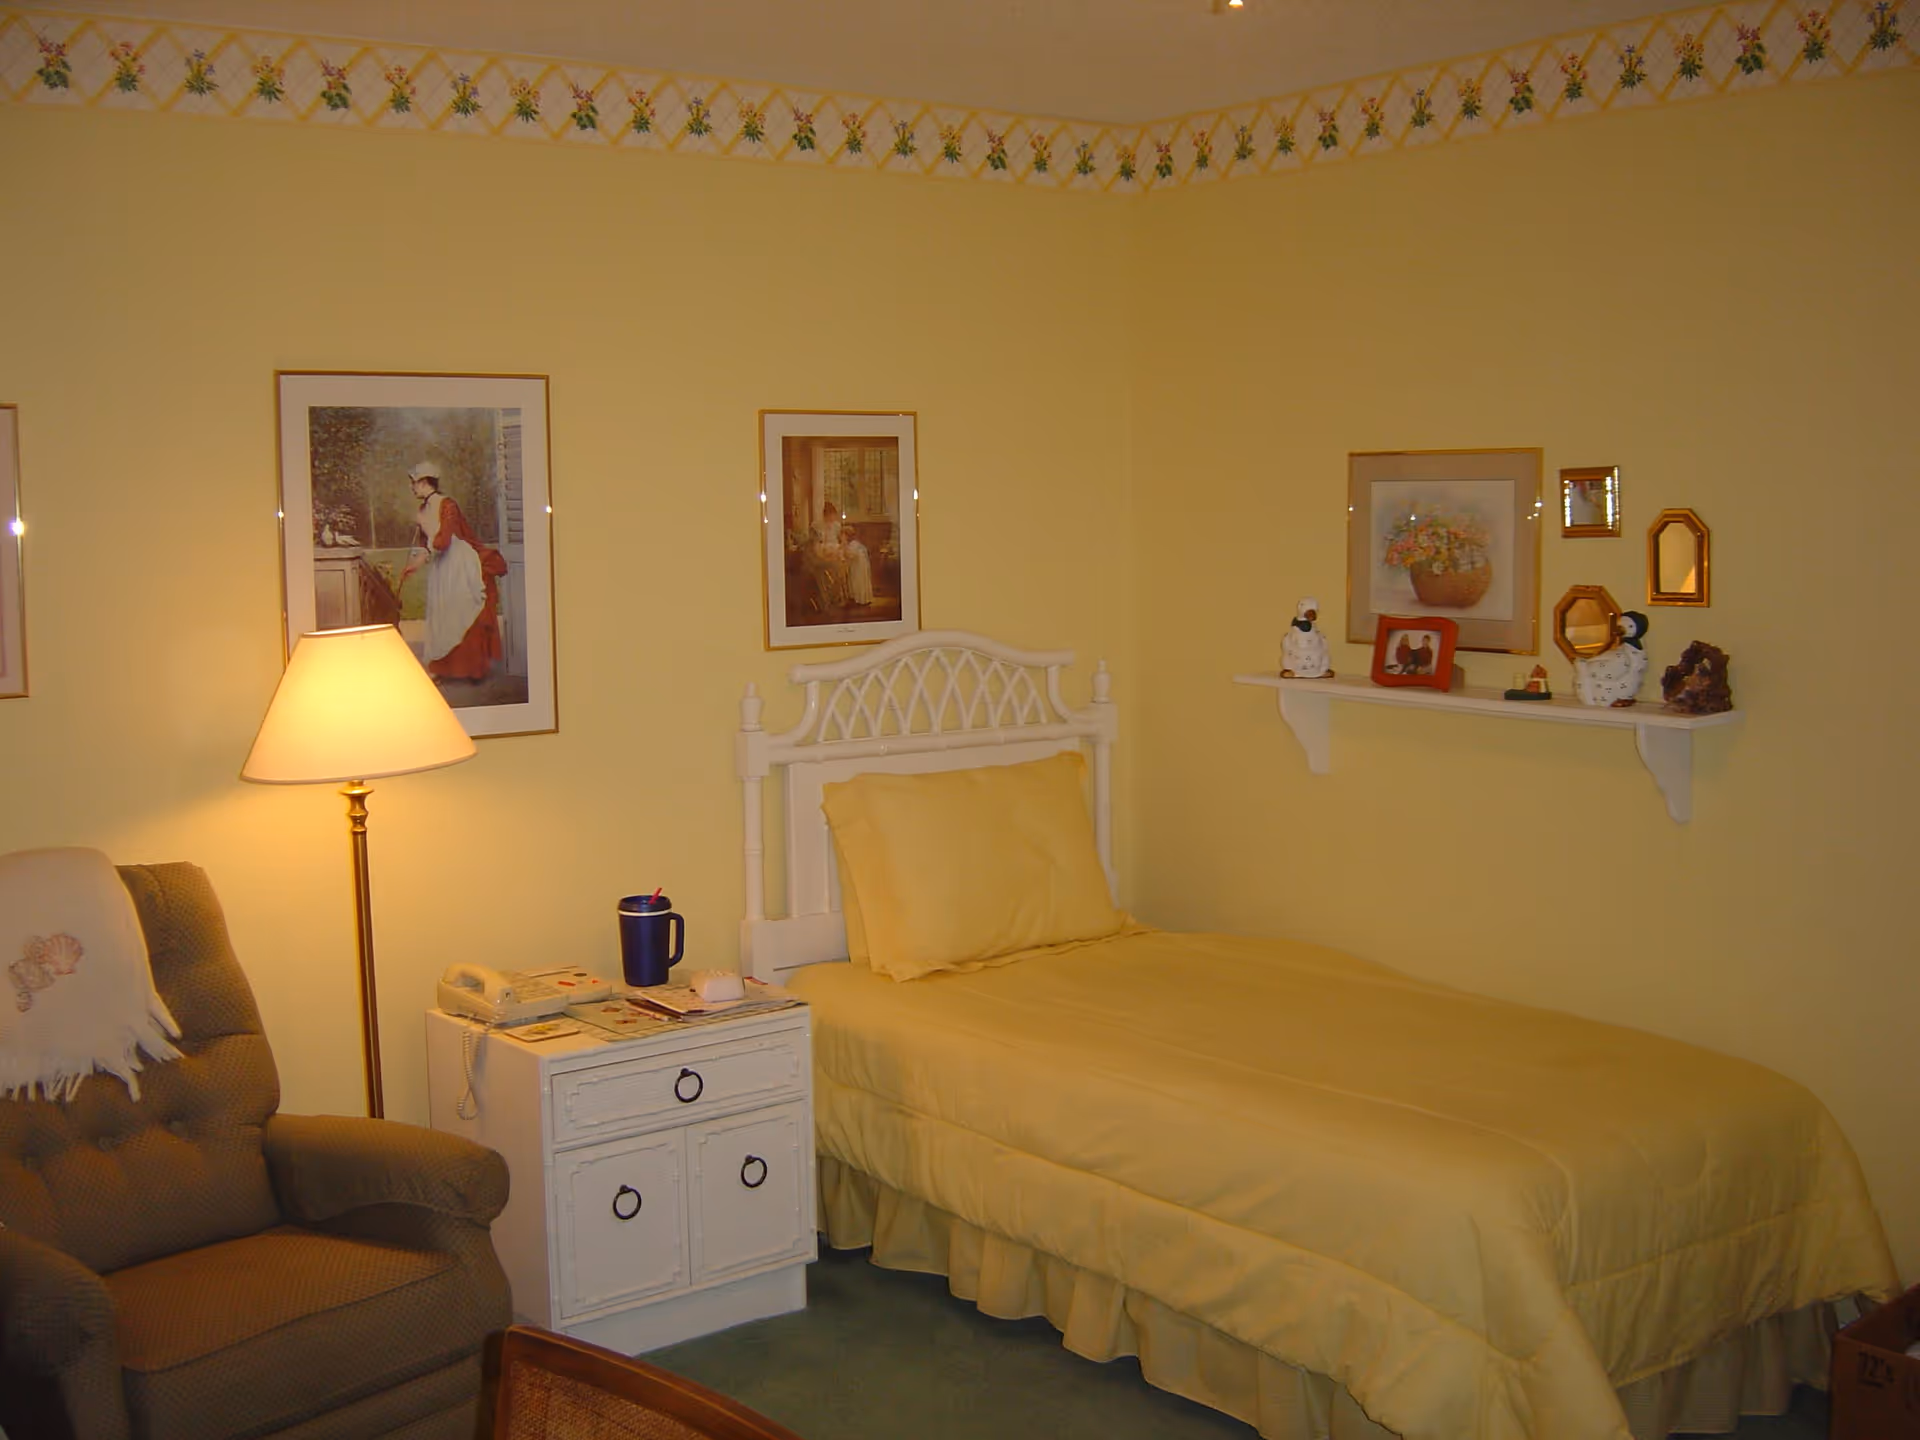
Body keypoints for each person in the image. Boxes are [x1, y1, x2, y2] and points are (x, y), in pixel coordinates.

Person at [394, 460, 507, 683]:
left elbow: (443, 540)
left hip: (458, 564)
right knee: (442, 614)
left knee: (461, 611)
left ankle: (472, 669)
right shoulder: (423, 509)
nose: (412, 488)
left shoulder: (447, 505)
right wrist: (414, 564)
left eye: (414, 483)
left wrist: (420, 559)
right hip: (440, 566)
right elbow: (428, 543)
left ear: (425, 482)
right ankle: (444, 668)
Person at [842, 524, 872, 606]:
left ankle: (861, 598)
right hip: (857, 563)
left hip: (859, 565)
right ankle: (855, 597)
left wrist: (844, 547)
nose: (842, 537)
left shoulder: (854, 544)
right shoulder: (852, 543)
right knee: (855, 579)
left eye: (844, 535)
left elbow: (850, 555)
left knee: (858, 580)